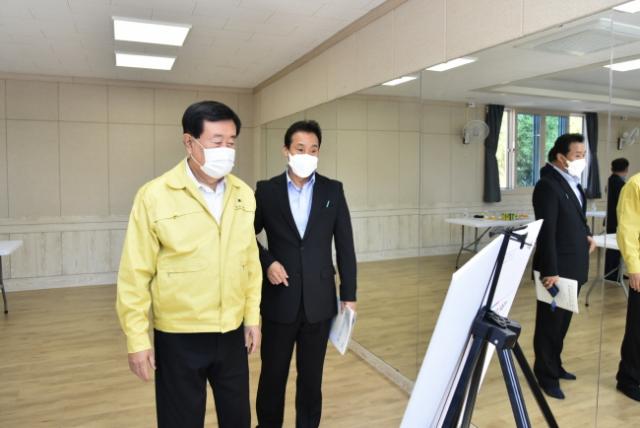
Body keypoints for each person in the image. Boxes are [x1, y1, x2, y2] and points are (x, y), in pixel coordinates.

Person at [116, 101, 262, 428]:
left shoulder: (243, 194)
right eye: (216, 141)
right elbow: (134, 274)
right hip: (179, 335)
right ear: (189, 142)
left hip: (231, 333)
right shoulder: (154, 195)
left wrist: (252, 317)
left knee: (238, 419)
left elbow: (250, 262)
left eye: (231, 142)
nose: (226, 150)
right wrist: (137, 339)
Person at [254, 120, 357, 428]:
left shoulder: (333, 190)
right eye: (300, 149)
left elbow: (345, 245)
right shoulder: (267, 191)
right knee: (272, 377)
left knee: (312, 381)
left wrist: (349, 295)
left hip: (319, 301)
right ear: (286, 151)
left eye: (313, 150)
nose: (307, 155)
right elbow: (244, 236)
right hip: (279, 300)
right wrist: (267, 261)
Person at [531, 133, 596, 400]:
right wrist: (550, 271)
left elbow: (576, 218)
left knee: (562, 322)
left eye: (583, 155)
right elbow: (547, 231)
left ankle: (555, 365)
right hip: (556, 270)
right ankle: (545, 375)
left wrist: (586, 234)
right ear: (561, 157)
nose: (582, 160)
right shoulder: (547, 185)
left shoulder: (572, 183)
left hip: (573, 265)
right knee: (550, 324)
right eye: (577, 155)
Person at [615, 171, 640, 401]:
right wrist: (634, 267)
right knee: (638, 327)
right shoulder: (635, 185)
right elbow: (627, 229)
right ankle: (629, 378)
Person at [605, 158, 629, 280]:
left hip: (611, 219)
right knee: (615, 248)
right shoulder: (620, 184)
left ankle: (614, 272)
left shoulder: (611, 180)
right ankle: (612, 274)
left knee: (613, 248)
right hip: (617, 220)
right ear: (626, 169)